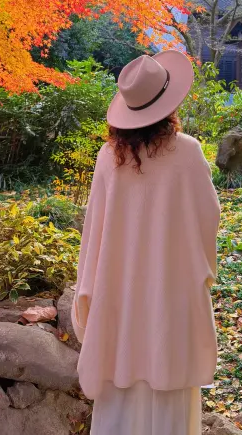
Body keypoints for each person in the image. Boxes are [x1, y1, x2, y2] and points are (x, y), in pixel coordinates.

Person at [72, 50, 221, 435]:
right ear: (169, 102)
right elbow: (209, 218)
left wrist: (90, 291)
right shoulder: (187, 152)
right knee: (167, 372)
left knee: (121, 373)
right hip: (170, 293)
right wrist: (194, 265)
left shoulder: (109, 156)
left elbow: (95, 232)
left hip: (118, 293)